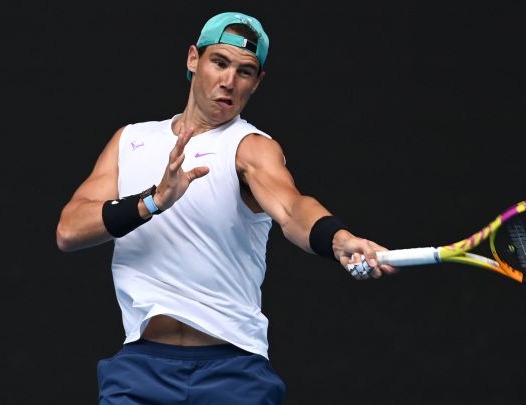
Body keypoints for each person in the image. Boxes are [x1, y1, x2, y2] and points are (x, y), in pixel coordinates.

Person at [56, 11, 397, 404]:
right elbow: (69, 230)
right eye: (219, 62)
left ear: (258, 82)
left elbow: (292, 208)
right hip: (140, 371)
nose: (229, 82)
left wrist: (338, 239)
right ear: (193, 60)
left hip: (233, 373)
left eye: (245, 71)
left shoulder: (252, 147)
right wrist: (152, 201)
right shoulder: (130, 141)